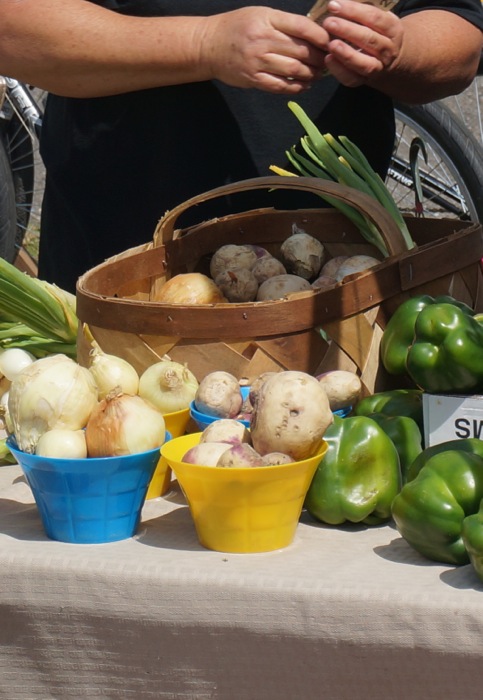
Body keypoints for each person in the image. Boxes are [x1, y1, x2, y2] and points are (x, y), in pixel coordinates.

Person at [0, 0, 482, 292]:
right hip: (124, 283)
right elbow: (15, 28)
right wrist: (203, 42)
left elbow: (458, 34)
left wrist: (399, 50)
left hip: (342, 284)